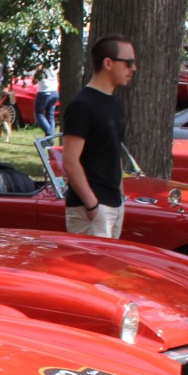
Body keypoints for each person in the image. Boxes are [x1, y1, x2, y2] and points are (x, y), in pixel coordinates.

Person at [60, 34, 135, 238]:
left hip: (114, 204)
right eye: (128, 63)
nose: (133, 69)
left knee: (110, 269)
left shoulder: (115, 103)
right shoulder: (82, 105)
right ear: (108, 63)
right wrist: (92, 204)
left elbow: (114, 152)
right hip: (90, 208)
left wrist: (119, 196)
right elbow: (70, 161)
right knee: (89, 269)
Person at [30, 66, 58, 137]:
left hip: (44, 91)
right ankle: (48, 141)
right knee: (50, 116)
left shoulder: (41, 67)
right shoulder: (54, 64)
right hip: (54, 91)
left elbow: (34, 81)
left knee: (39, 114)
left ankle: (50, 135)